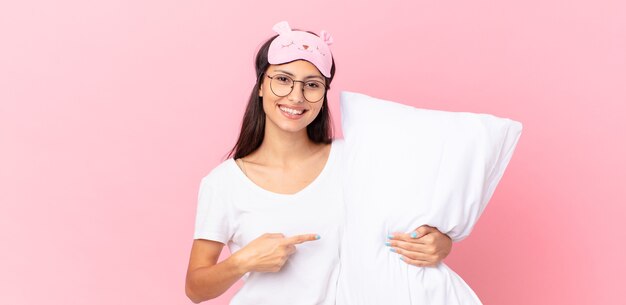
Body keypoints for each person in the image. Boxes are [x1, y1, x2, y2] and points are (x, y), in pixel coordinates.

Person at [185, 21, 453, 304]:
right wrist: (243, 261)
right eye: (283, 79)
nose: (296, 96)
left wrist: (439, 244)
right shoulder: (223, 183)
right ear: (261, 85)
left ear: (324, 94)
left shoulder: (353, 159)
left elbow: (409, 224)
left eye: (312, 85)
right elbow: (195, 288)